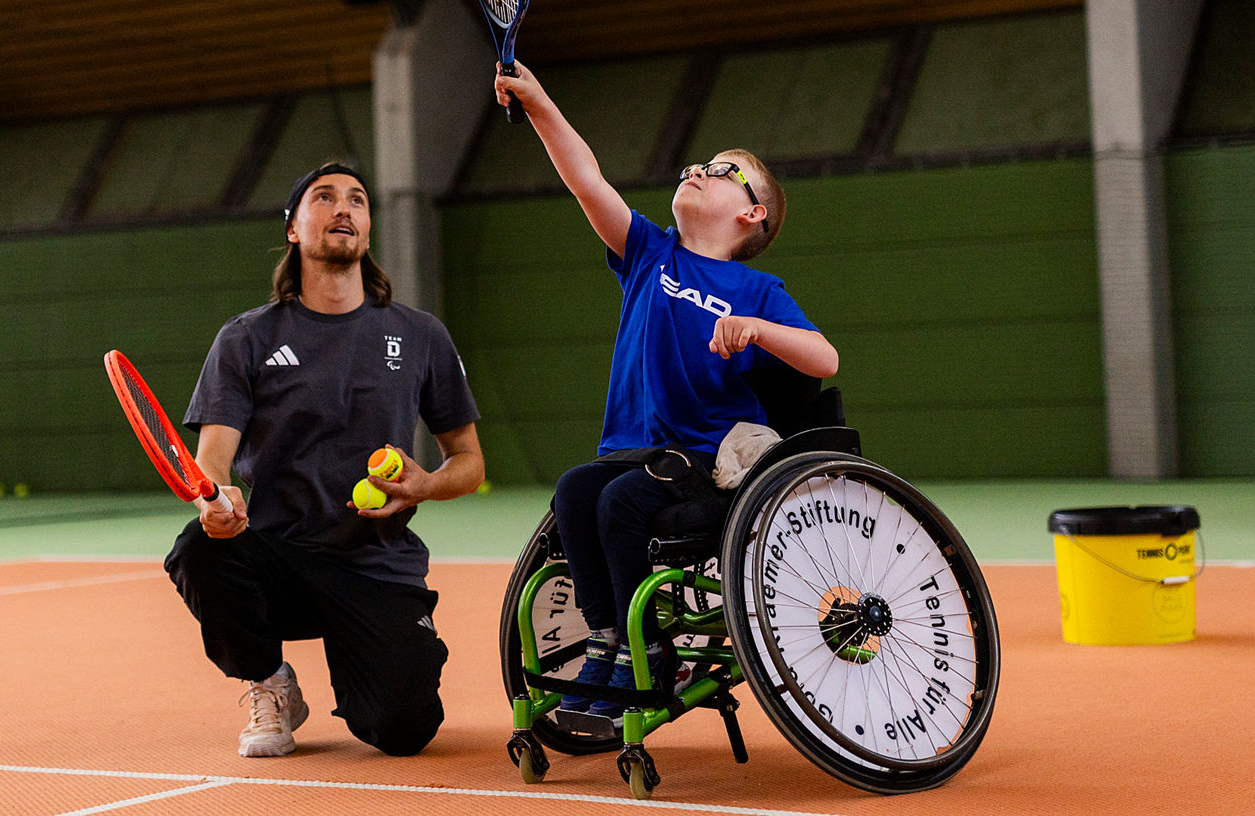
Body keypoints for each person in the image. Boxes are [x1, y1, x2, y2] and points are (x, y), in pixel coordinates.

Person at [494, 64, 838, 718]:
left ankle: (643, 650)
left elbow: (823, 356)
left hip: (699, 463)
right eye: (698, 163)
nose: (698, 170)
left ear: (752, 213)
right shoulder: (649, 253)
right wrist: (538, 100)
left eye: (722, 170)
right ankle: (604, 639)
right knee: (574, 490)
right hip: (629, 451)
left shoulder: (758, 291)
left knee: (621, 505)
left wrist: (759, 329)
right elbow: (584, 177)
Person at [163, 162, 485, 758]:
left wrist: (424, 485)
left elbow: (468, 462)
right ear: (292, 228)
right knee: (199, 548)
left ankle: (374, 658)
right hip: (280, 557)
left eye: (358, 200)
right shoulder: (246, 338)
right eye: (325, 198)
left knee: (402, 731)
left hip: (376, 565)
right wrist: (218, 501)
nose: (345, 208)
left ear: (367, 226)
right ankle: (269, 680)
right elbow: (212, 459)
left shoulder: (421, 336)